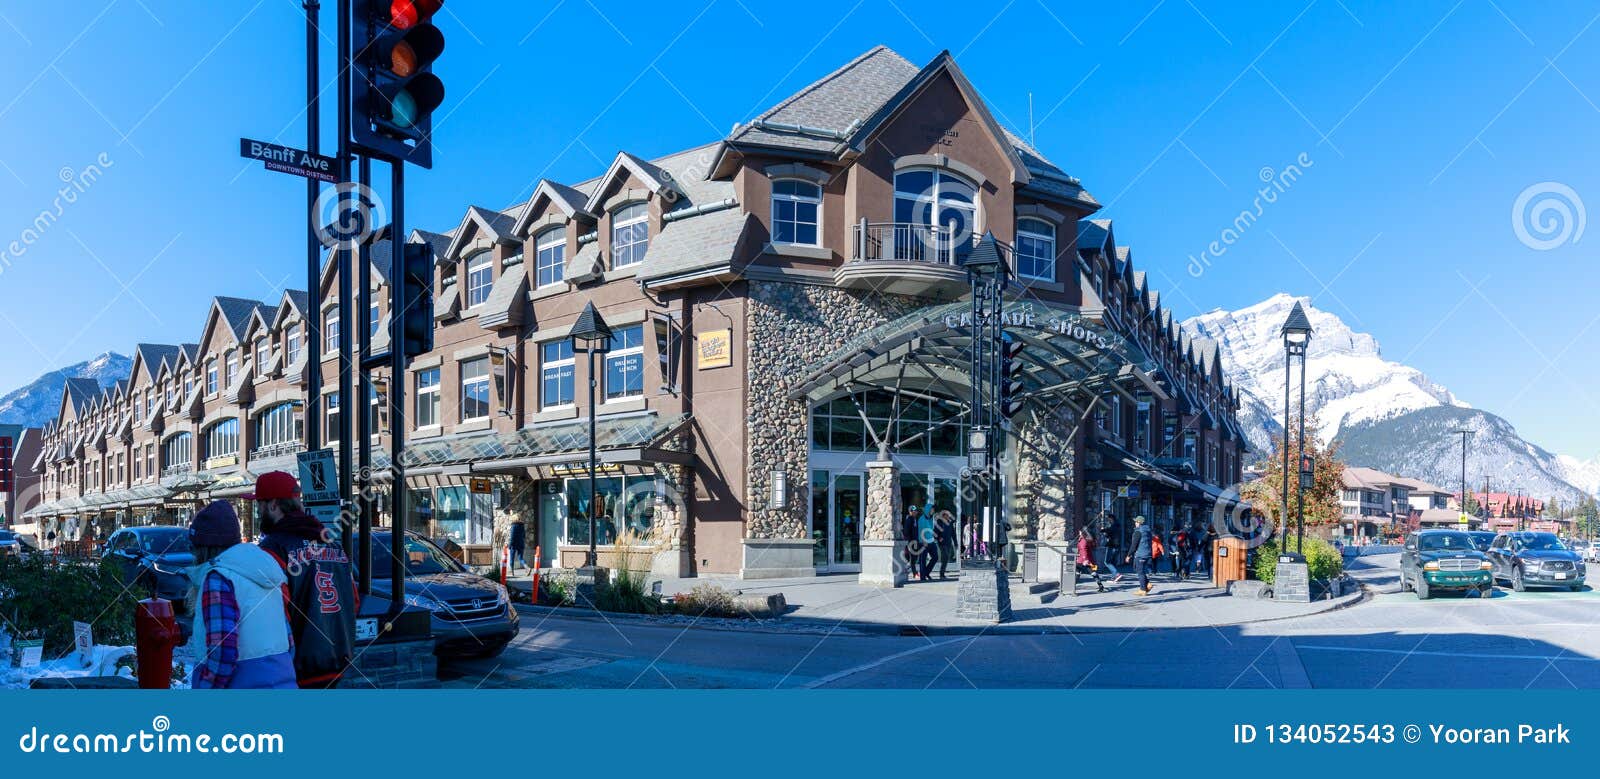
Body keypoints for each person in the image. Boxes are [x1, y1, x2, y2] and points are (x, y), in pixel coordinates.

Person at [251, 471, 359, 689]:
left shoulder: (273, 549)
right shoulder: (332, 543)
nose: (258, 511)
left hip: (294, 668)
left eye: (259, 505)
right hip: (338, 662)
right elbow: (353, 601)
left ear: (273, 505)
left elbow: (270, 615)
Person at [186, 500, 297, 690]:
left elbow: (222, 652)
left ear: (203, 548)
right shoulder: (265, 571)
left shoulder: (218, 577)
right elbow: (289, 640)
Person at [1124, 515, 1155, 595]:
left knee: (1140, 572)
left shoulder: (1138, 532)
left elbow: (1134, 545)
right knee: (1139, 570)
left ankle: (1142, 590)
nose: (1135, 523)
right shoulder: (1148, 531)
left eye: (1136, 522)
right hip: (1148, 553)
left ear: (1139, 522)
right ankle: (1147, 584)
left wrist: (1128, 555)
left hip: (1140, 554)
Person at [1076, 527, 1106, 593]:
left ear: (1082, 532)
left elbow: (1083, 550)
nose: (1079, 532)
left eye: (1080, 531)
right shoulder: (1088, 539)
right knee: (1093, 572)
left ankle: (1072, 587)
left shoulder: (1083, 540)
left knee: (1077, 573)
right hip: (1089, 559)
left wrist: (1085, 559)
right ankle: (1101, 586)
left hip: (1082, 560)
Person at [916, 503, 937, 581]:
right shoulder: (921, 519)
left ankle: (926, 572)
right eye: (932, 509)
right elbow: (920, 531)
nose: (933, 511)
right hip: (923, 542)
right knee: (923, 560)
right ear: (928, 510)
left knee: (935, 557)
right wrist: (923, 541)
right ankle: (923, 577)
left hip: (931, 541)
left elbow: (930, 529)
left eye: (933, 509)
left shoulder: (931, 518)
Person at [933, 509, 957, 580]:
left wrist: (955, 542)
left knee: (946, 558)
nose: (948, 516)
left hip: (948, 543)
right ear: (943, 516)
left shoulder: (950, 523)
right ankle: (942, 574)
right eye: (947, 515)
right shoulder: (939, 523)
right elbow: (934, 533)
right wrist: (939, 538)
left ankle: (942, 573)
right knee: (945, 557)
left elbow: (953, 534)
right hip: (942, 544)